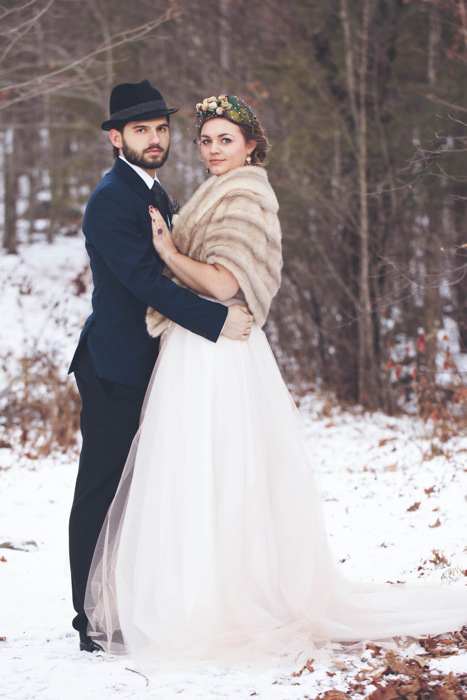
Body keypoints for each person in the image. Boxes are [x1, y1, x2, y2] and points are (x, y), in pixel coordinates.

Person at [84, 95, 467, 668]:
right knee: (187, 473)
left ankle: (219, 600)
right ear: (119, 137)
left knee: (220, 471)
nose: (213, 150)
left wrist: (168, 250)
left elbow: (221, 283)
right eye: (205, 140)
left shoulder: (243, 192)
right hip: (189, 346)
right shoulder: (163, 192)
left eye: (225, 140)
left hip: (218, 346)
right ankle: (162, 599)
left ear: (251, 145)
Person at [68, 82, 253, 653]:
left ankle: (128, 601)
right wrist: (215, 320)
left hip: (152, 363)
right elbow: (144, 282)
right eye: (141, 129)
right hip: (114, 365)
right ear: (115, 137)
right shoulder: (110, 199)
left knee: (141, 492)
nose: (155, 138)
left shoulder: (151, 191)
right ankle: (88, 619)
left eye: (162, 128)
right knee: (102, 489)